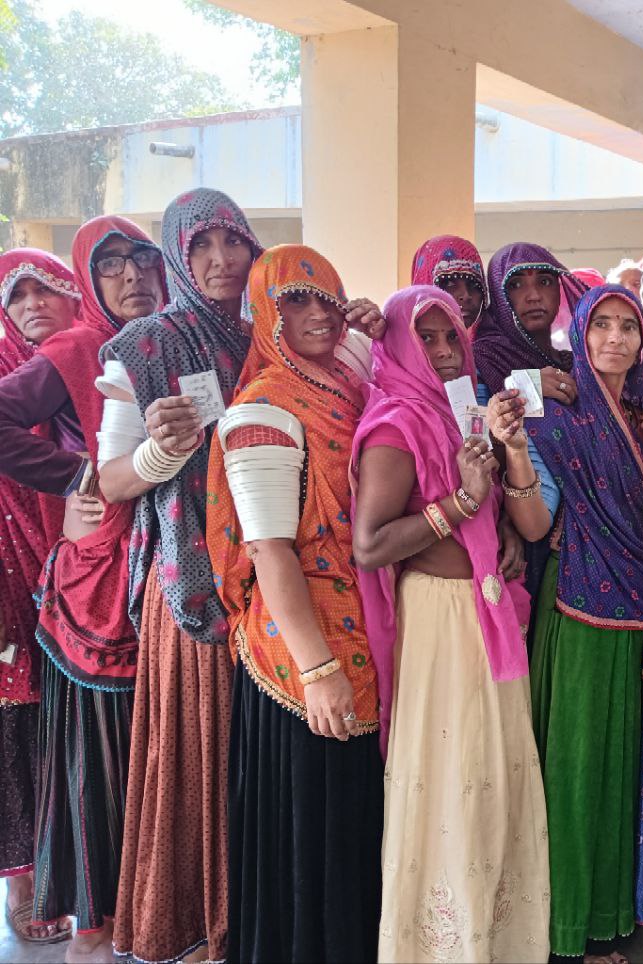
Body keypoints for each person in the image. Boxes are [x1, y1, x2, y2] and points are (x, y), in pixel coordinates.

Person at [351, 285, 550, 963]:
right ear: (398, 344)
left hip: (484, 610)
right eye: (426, 337)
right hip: (440, 617)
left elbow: (517, 519)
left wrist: (501, 502)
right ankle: (441, 947)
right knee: (451, 780)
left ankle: (495, 940)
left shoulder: (460, 412)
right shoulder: (394, 424)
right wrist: (463, 504)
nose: (442, 351)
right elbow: (371, 545)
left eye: (450, 337)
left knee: (494, 775)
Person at [91, 189, 262, 964]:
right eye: (201, 247)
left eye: (233, 242)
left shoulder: (269, 337)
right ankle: (195, 923)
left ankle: (256, 913)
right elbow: (112, 479)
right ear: (177, 258)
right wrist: (162, 451)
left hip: (274, 573)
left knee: (257, 753)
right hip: (194, 577)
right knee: (201, 754)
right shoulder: (147, 344)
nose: (220, 261)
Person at [206, 244, 383, 962]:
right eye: (294, 302)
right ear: (264, 314)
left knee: (353, 825)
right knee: (317, 830)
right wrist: (318, 668)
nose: (317, 314)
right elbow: (270, 550)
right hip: (302, 655)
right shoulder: (264, 410)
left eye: (327, 299)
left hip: (362, 630)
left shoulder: (345, 378)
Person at [0, 216, 164, 964]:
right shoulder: (77, 349)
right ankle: (94, 926)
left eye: (142, 260)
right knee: (102, 759)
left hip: (164, 574)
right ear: (89, 283)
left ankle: (151, 911)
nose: (131, 276)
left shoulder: (165, 343)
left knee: (152, 753)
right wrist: (78, 478)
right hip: (98, 587)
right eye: (111, 266)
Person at [524, 283, 643, 964]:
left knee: (620, 768)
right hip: (579, 607)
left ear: (642, 342)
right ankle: (567, 930)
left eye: (628, 327)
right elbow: (535, 524)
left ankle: (607, 917)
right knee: (577, 768)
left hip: (636, 605)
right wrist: (514, 450)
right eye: (601, 325)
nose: (615, 338)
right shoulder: (554, 419)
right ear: (580, 335)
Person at [0, 249, 79, 948]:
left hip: (76, 562)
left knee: (67, 726)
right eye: (17, 296)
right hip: (9, 570)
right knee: (16, 722)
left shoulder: (86, 358)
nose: (31, 305)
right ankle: (24, 887)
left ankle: (70, 879)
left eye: (45, 290)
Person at [470, 242, 587, 610]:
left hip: (579, 539)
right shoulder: (484, 356)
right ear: (498, 295)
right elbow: (474, 438)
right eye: (516, 284)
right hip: (518, 535)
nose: (534, 295)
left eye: (545, 281)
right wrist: (526, 387)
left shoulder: (573, 363)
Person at [410, 234, 488, 328]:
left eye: (474, 285)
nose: (466, 296)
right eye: (448, 283)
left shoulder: (490, 336)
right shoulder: (397, 335)